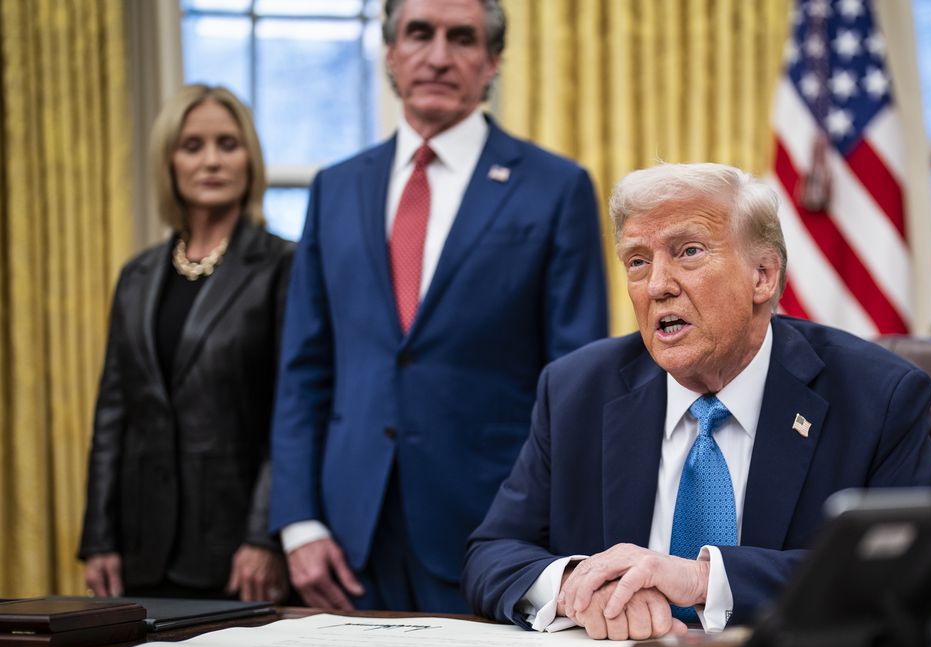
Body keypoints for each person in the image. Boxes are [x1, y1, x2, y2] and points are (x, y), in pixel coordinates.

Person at [462, 162, 931, 640]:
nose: (657, 285)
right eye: (637, 261)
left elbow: (917, 568)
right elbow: (492, 551)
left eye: (688, 251)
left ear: (763, 276)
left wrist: (701, 581)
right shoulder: (576, 390)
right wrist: (578, 586)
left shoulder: (876, 396)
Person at [269, 0, 608, 613]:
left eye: (463, 38)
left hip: (491, 530)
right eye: (419, 34)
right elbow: (303, 370)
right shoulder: (335, 187)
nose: (438, 56)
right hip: (347, 540)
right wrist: (298, 522)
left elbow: (577, 380)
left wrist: (553, 536)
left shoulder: (555, 188)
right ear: (391, 53)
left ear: (492, 61)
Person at [78, 84, 292, 602]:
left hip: (238, 551)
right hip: (139, 548)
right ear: (169, 161)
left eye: (228, 143)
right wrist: (100, 538)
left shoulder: (284, 265)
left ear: (250, 159)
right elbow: (113, 415)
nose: (212, 160)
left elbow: (291, 413)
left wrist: (263, 535)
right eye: (192, 146)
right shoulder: (137, 274)